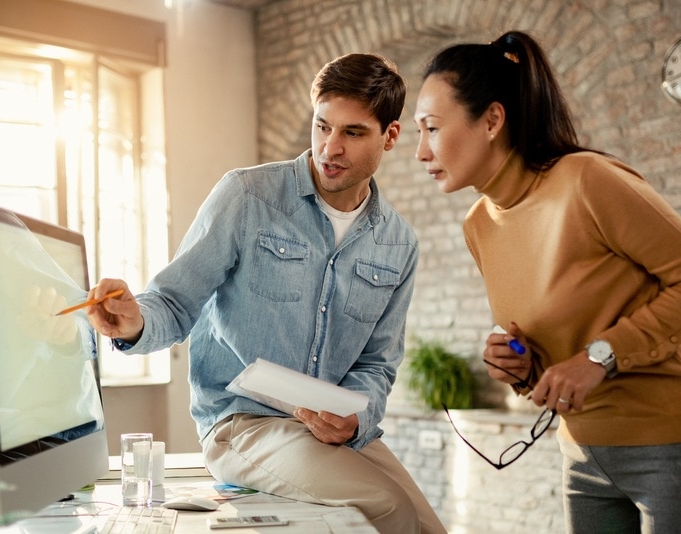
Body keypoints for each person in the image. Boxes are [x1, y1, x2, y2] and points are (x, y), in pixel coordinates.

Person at [88, 53, 446, 534]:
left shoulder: (399, 242)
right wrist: (133, 322)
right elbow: (173, 302)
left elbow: (377, 364)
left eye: (352, 133)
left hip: (335, 438)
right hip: (243, 425)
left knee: (429, 529)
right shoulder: (246, 197)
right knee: (387, 508)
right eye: (322, 126)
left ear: (391, 135)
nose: (329, 148)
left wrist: (355, 421)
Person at [413, 30, 681, 533]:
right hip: (581, 455)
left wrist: (599, 357)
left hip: (673, 446)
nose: (420, 151)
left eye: (432, 128)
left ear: (493, 120)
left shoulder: (586, 180)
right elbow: (555, 351)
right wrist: (517, 366)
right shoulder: (478, 225)